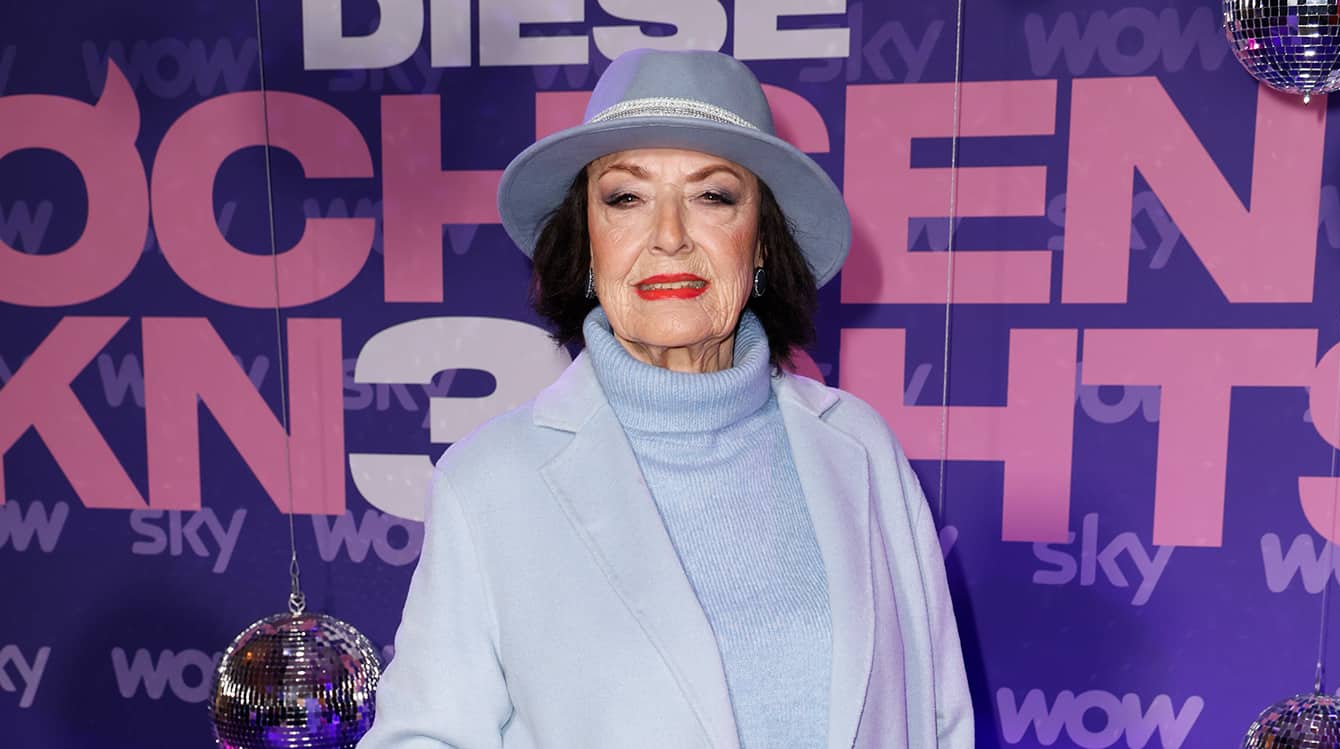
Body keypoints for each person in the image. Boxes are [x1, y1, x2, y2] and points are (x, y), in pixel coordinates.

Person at [356, 49, 972, 749]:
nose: (670, 236)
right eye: (627, 198)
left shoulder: (861, 446)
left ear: (760, 243)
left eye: (714, 197)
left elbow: (939, 719)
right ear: (589, 243)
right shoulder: (488, 483)